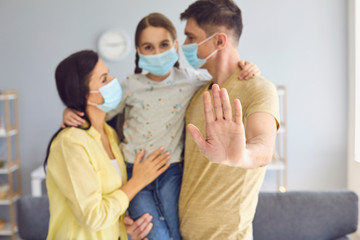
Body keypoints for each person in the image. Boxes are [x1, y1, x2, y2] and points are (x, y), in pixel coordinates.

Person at [62, 13, 261, 240]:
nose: (157, 53)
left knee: (177, 233)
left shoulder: (191, 79)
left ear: (176, 46)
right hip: (134, 171)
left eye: (164, 45)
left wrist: (247, 66)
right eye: (148, 47)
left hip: (172, 171)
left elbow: (225, 76)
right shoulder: (129, 86)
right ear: (138, 51)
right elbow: (97, 110)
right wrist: (70, 111)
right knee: (154, 234)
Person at [178, 0, 280, 239]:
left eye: (190, 37)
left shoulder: (259, 89)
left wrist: (241, 156)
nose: (184, 46)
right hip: (185, 232)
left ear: (219, 41)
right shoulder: (198, 93)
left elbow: (263, 148)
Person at [44, 50, 170, 240]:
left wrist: (124, 230)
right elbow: (92, 217)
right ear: (84, 94)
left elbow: (107, 207)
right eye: (104, 80)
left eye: (109, 73)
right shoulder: (70, 143)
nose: (113, 81)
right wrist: (137, 182)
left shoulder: (109, 134)